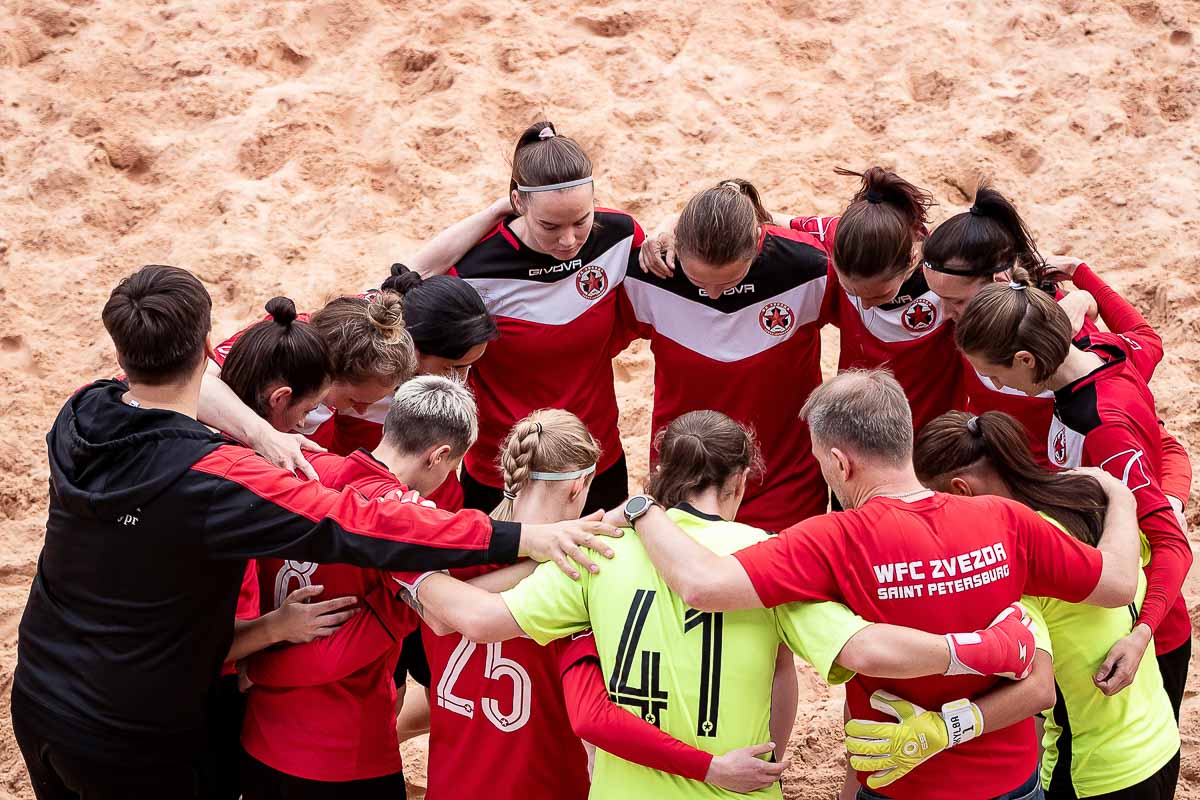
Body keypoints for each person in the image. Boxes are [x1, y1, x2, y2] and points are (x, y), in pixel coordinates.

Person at [11, 265, 618, 800]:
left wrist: (262, 432)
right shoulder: (221, 476)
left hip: (40, 695)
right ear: (205, 344)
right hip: (136, 730)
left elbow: (180, 390)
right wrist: (521, 539)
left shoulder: (82, 412)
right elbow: (358, 522)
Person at [409, 409, 1043, 799]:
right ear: (740, 480)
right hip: (738, 788)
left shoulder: (600, 551)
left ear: (661, 475)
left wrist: (402, 569)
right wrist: (982, 648)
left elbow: (479, 620)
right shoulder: (769, 556)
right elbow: (862, 650)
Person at [617, 370, 1142, 800]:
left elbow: (702, 585)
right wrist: (1123, 498)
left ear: (839, 462)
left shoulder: (832, 539)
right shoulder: (1005, 518)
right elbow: (1118, 583)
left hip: (903, 782)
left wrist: (643, 509)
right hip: (1010, 779)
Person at [954, 273, 1193, 719]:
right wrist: (1081, 279)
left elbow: (1172, 543)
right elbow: (1145, 339)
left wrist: (1140, 635)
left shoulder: (1104, 429)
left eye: (996, 375)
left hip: (1136, 642)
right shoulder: (1104, 354)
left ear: (1025, 359)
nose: (997, 386)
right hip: (1102, 616)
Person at [911, 410, 1180, 799]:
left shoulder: (1017, 557)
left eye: (935, 504)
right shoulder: (1089, 498)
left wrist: (945, 727)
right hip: (1160, 741)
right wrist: (1122, 494)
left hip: (1095, 772)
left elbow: (1037, 691)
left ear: (961, 490)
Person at [236, 375, 479, 800]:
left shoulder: (302, 465)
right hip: (343, 753)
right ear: (440, 456)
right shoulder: (406, 525)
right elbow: (341, 650)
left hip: (260, 734)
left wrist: (252, 667)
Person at [422, 120, 644, 514]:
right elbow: (406, 281)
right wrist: (492, 212)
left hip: (594, 458)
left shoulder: (619, 238)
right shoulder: (474, 267)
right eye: (550, 226)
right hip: (505, 468)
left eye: (581, 220)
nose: (568, 240)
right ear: (518, 202)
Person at [620, 179, 831, 529]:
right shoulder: (651, 272)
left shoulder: (808, 267)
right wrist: (666, 225)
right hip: (686, 477)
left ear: (757, 244)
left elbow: (874, 244)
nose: (715, 295)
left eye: (729, 282)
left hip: (785, 482)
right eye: (698, 281)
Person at [205, 295, 350, 800]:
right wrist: (278, 628)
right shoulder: (235, 493)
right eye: (307, 411)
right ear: (278, 398)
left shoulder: (190, 414)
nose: (307, 427)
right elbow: (211, 648)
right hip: (188, 706)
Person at [787, 167, 963, 435]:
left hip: (931, 433)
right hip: (857, 426)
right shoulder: (846, 239)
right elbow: (771, 223)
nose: (866, 306)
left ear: (912, 260)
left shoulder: (949, 271)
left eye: (879, 295)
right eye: (852, 292)